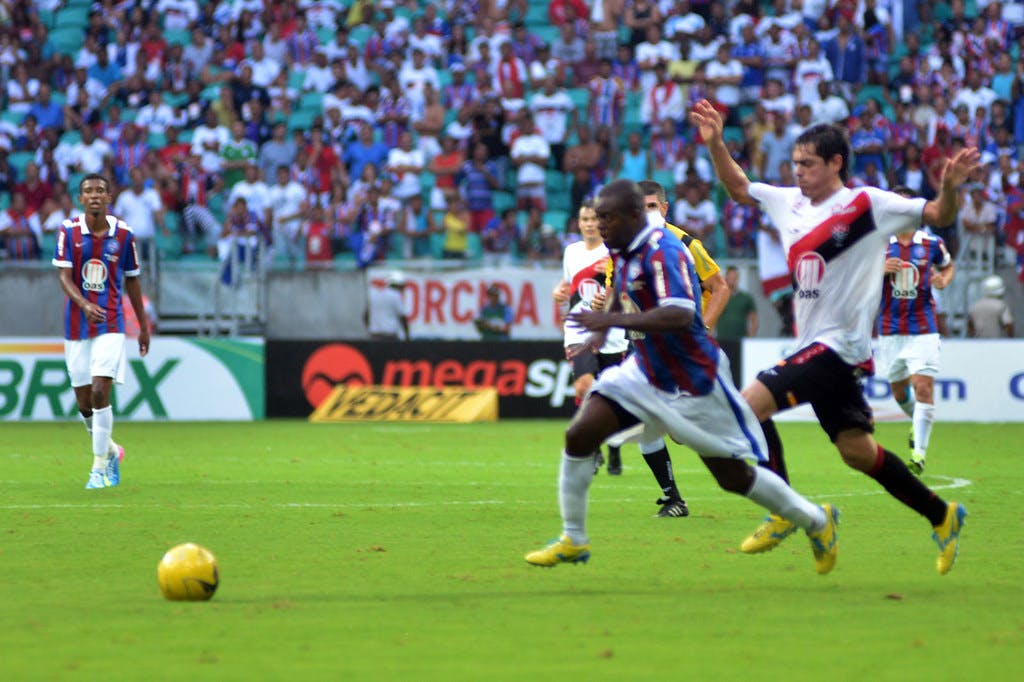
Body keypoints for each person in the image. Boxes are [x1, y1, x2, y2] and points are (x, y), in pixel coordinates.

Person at [689, 99, 972, 575]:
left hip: (842, 348)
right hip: (814, 346)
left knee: (747, 406)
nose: (798, 172)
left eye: (808, 164)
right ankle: (942, 515)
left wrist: (948, 186)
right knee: (857, 452)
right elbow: (738, 186)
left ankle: (787, 510)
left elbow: (940, 214)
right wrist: (716, 144)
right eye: (795, 163)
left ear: (836, 162)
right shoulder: (787, 202)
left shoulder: (870, 205)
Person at [524, 180, 839, 573]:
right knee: (580, 433)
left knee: (731, 475)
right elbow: (625, 296)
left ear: (636, 215)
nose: (600, 225)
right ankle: (574, 537)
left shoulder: (665, 250)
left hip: (692, 375)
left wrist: (614, 319)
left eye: (608, 217)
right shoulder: (621, 249)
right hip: (644, 368)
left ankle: (817, 520)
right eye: (597, 217)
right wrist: (602, 330)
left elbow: (679, 313)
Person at [52, 174, 150, 489]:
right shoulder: (69, 231)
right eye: (88, 191)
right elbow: (64, 277)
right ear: (81, 198)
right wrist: (83, 304)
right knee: (83, 403)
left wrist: (143, 327)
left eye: (100, 190)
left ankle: (98, 468)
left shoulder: (124, 234)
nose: (94, 195)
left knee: (98, 392)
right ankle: (111, 449)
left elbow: (132, 280)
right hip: (76, 324)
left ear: (109, 197)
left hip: (110, 322)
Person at [876, 187, 956, 475]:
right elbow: (858, 281)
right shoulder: (879, 244)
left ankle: (918, 454)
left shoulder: (932, 243)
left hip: (923, 327)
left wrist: (944, 279)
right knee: (898, 391)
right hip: (889, 330)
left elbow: (948, 267)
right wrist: (879, 270)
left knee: (923, 387)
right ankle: (916, 424)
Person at [552, 200, 630, 478]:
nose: (588, 224)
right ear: (578, 222)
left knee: (612, 394)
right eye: (584, 219)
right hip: (579, 327)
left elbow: (626, 288)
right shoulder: (571, 251)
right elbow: (568, 284)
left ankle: (615, 448)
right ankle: (594, 447)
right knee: (585, 386)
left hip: (610, 330)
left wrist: (608, 299)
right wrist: (558, 292)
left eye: (593, 219)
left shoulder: (614, 251)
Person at [716, 265, 758, 387]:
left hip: (740, 341)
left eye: (735, 277)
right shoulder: (719, 297)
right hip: (722, 339)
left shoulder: (746, 298)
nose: (732, 280)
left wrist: (750, 338)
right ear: (725, 278)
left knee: (738, 369)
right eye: (730, 277)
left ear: (738, 279)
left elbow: (754, 319)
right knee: (722, 368)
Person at [364, 271, 410, 341]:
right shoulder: (395, 295)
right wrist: (407, 336)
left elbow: (366, 316)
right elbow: (402, 318)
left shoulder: (373, 295)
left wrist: (372, 328)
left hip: (374, 336)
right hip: (390, 336)